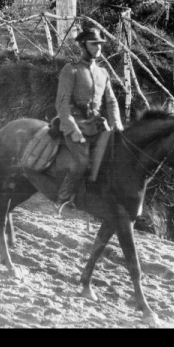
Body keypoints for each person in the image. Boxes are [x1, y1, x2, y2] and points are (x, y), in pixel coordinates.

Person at [54, 28, 123, 216]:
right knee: (82, 163)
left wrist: (116, 122)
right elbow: (62, 102)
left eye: (100, 44)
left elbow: (111, 101)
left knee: (117, 156)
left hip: (98, 125)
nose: (99, 47)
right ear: (83, 45)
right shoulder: (71, 70)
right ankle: (63, 200)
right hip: (76, 125)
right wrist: (72, 127)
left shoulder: (103, 72)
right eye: (94, 44)